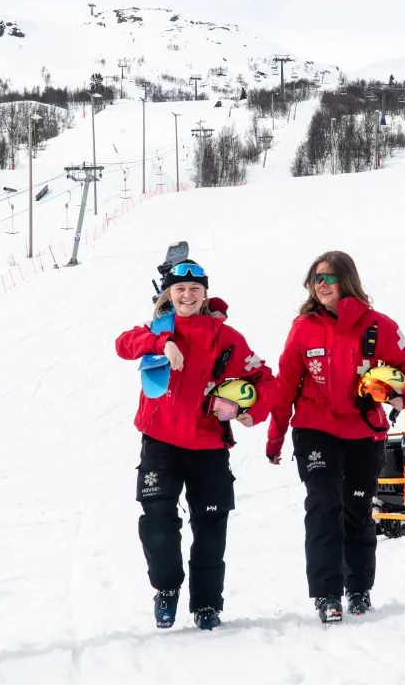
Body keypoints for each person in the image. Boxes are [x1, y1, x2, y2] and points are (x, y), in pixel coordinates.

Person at [115, 260, 277, 631]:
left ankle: (207, 605)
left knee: (210, 525)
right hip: (160, 442)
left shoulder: (227, 338)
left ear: (204, 294)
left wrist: (251, 408)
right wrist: (163, 342)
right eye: (179, 289)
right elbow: (123, 344)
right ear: (168, 294)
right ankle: (167, 589)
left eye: (194, 289)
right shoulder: (157, 329)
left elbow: (265, 379)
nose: (187, 295)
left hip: (207, 446)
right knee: (157, 521)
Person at [266, 251, 405, 623]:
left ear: (346, 281)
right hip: (315, 429)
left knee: (356, 509)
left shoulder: (378, 326)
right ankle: (326, 594)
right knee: (323, 504)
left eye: (329, 278)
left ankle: (358, 588)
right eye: (315, 279)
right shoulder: (303, 328)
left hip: (363, 432)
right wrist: (275, 438)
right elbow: (286, 385)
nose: (321, 285)